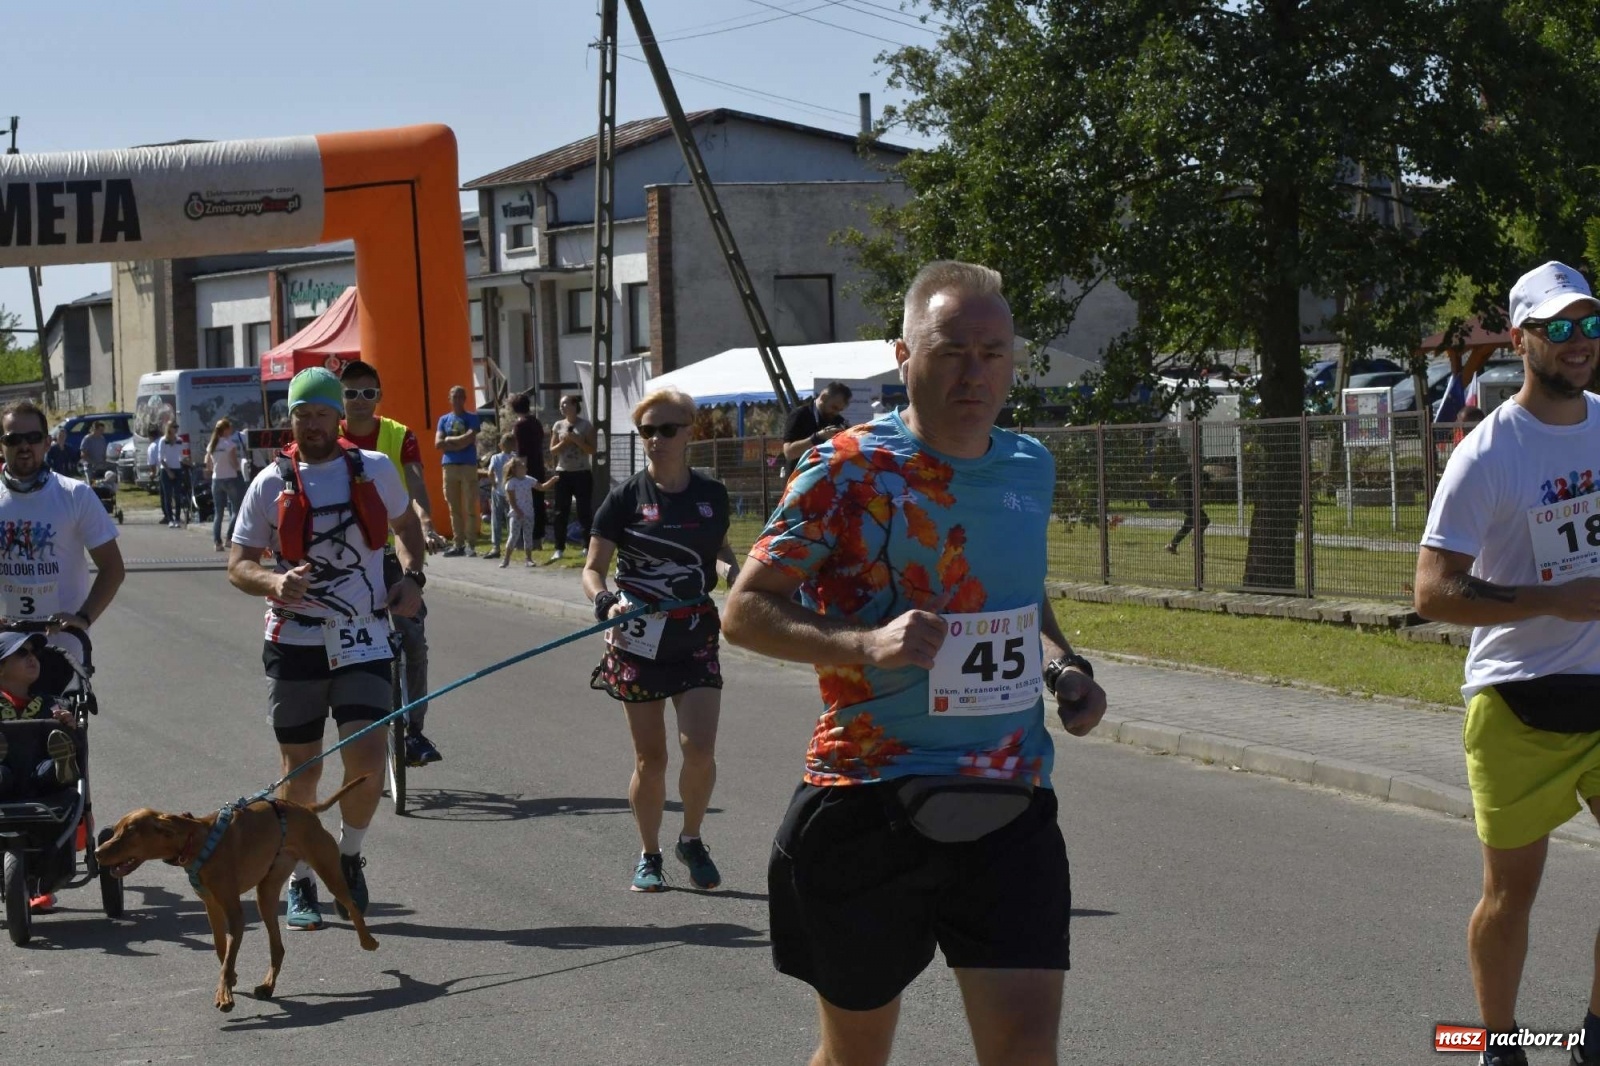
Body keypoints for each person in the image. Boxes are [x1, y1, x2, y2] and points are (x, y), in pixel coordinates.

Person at [721, 261, 1108, 1066]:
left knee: (1027, 1050)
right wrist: (863, 645)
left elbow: (1018, 598)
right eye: (951, 350)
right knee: (858, 1056)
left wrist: (1062, 667)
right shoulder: (846, 468)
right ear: (905, 356)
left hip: (1009, 795)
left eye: (993, 352)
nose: (975, 372)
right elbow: (746, 610)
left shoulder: (1029, 466)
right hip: (869, 801)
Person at [1415, 260, 1600, 1066]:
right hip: (1519, 697)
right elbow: (1433, 593)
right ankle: (1499, 1040)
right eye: (1558, 328)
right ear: (1520, 339)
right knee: (1510, 893)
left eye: (1590, 325)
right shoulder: (1488, 453)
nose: (1578, 343)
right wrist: (1554, 600)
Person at [228, 367, 426, 932]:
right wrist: (273, 583)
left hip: (364, 636)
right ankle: (301, 880)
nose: (311, 423)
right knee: (302, 772)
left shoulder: (375, 469)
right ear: (288, 420)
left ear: (339, 416)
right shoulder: (269, 482)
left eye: (320, 412)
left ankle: (350, 855)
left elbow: (408, 530)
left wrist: (412, 579)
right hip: (295, 642)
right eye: (300, 414)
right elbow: (238, 564)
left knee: (365, 764)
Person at [582, 387, 740, 893]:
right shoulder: (625, 497)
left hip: (694, 634)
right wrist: (605, 602)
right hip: (637, 639)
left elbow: (718, 549)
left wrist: (731, 568)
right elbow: (592, 569)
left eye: (666, 429)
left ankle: (690, 839)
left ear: (690, 431)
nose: (655, 439)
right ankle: (649, 854)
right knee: (651, 759)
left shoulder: (710, 495)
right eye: (647, 431)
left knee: (700, 748)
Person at [338, 359, 446, 768]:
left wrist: (427, 523)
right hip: (340, 556)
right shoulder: (328, 434)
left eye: (368, 393)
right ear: (339, 398)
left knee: (412, 634)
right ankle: (351, 730)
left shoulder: (398, 435)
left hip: (387, 549)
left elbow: (416, 484)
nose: (360, 401)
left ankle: (413, 731)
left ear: (379, 396)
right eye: (351, 393)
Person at [0, 401, 124, 664]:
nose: (24, 446)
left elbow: (112, 568)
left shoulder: (75, 495)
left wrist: (84, 617)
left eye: (33, 438)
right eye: (13, 439)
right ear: (2, 445)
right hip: (6, 651)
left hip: (62, 651)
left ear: (47, 443)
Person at [547, 393, 595, 563]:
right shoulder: (558, 425)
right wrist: (564, 443)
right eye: (561, 405)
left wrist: (577, 440)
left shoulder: (585, 425)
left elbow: (592, 450)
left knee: (584, 511)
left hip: (582, 472)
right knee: (561, 511)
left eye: (565, 404)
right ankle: (559, 548)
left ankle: (587, 546)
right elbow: (552, 450)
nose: (562, 407)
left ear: (575, 406)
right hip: (563, 472)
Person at [435, 384, 481, 558]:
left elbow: (469, 439)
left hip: (468, 466)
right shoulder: (443, 420)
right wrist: (455, 442)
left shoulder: (472, 418)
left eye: (460, 396)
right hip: (449, 466)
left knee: (469, 506)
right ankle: (458, 543)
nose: (457, 400)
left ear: (465, 399)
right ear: (449, 399)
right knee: (454, 507)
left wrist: (450, 440)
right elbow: (438, 443)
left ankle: (471, 544)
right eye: (454, 396)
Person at [780, 381, 852, 477]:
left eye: (839, 410)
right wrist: (817, 437)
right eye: (834, 407)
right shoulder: (800, 415)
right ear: (824, 397)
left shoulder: (838, 421)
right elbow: (789, 453)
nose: (835, 413)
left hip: (826, 481)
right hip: (800, 481)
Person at [509, 392, 548, 550]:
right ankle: (538, 538)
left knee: (524, 503)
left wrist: (519, 473)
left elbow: (521, 451)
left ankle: (526, 539)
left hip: (526, 468)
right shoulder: (536, 422)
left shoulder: (520, 425)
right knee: (538, 503)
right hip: (538, 465)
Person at [499, 458, 552, 569]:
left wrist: (552, 480)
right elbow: (512, 500)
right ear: (514, 469)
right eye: (522, 466)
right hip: (516, 514)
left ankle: (528, 559)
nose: (525, 468)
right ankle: (506, 558)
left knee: (528, 536)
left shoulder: (529, 480)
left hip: (529, 513)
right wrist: (518, 511)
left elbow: (541, 487)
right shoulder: (511, 483)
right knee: (513, 536)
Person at [205, 418, 248, 551]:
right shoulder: (229, 444)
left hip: (216, 479)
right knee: (236, 509)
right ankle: (229, 537)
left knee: (218, 512)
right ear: (225, 430)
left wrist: (215, 470)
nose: (231, 430)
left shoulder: (212, 445)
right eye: (229, 428)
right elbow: (234, 463)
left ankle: (217, 542)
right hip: (230, 478)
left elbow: (208, 464)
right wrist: (242, 468)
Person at [1164, 465, 1211, 554]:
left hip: (1187, 504)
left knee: (1189, 526)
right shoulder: (1204, 475)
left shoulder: (1185, 474)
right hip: (1194, 504)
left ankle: (1173, 545)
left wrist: (1179, 489)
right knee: (1204, 521)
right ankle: (1196, 545)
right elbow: (1208, 491)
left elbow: (1173, 480)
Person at [486, 432, 517, 561]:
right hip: (511, 490)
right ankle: (512, 543)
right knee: (511, 518)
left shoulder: (495, 457)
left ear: (500, 445)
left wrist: (493, 484)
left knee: (496, 518)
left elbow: (490, 472)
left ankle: (496, 546)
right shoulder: (515, 458)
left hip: (498, 489)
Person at [153, 421, 189, 529]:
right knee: (167, 495)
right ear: (169, 428)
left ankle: (177, 518)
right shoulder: (163, 441)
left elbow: (181, 456)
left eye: (177, 427)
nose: (176, 429)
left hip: (177, 469)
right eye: (174, 427)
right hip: (166, 470)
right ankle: (170, 519)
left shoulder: (179, 440)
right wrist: (168, 471)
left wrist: (186, 462)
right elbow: (160, 458)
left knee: (177, 495)